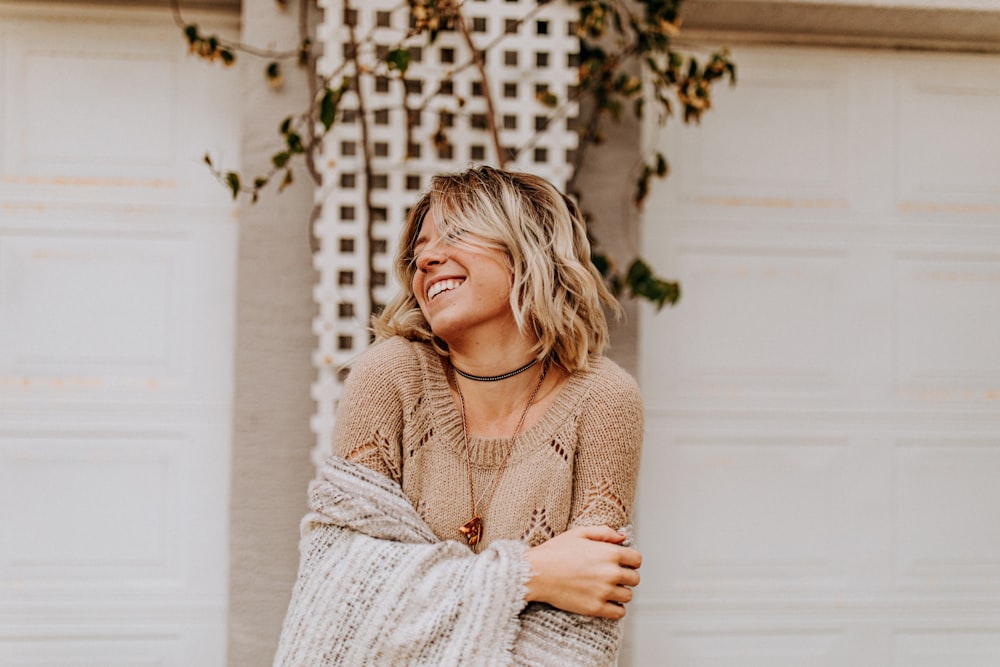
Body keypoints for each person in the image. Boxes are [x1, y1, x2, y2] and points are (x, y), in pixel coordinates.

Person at [274, 166, 644, 666]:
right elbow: (335, 600)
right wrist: (529, 574)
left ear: (528, 248)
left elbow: (576, 636)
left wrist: (415, 600)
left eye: (456, 234)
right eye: (420, 247)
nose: (426, 259)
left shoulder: (603, 400)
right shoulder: (392, 376)